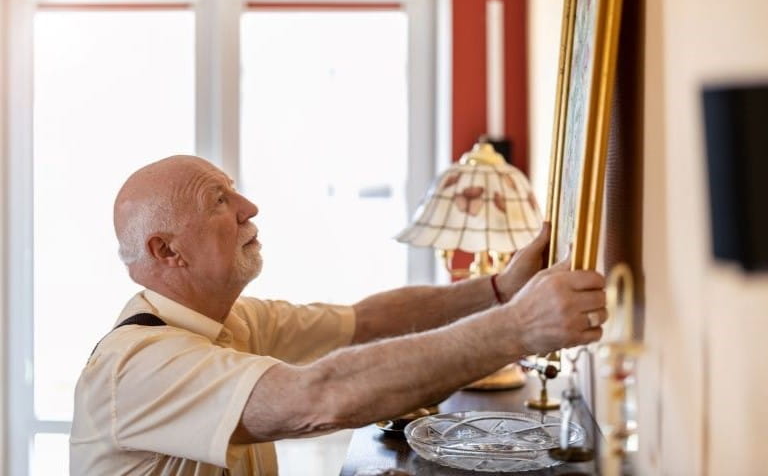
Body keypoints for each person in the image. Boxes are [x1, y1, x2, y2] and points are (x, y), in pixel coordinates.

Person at [70, 154, 607, 475]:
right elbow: (316, 400)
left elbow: (367, 321)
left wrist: (498, 289)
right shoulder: (134, 366)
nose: (248, 208)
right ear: (167, 252)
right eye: (218, 200)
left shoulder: (234, 323)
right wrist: (517, 328)